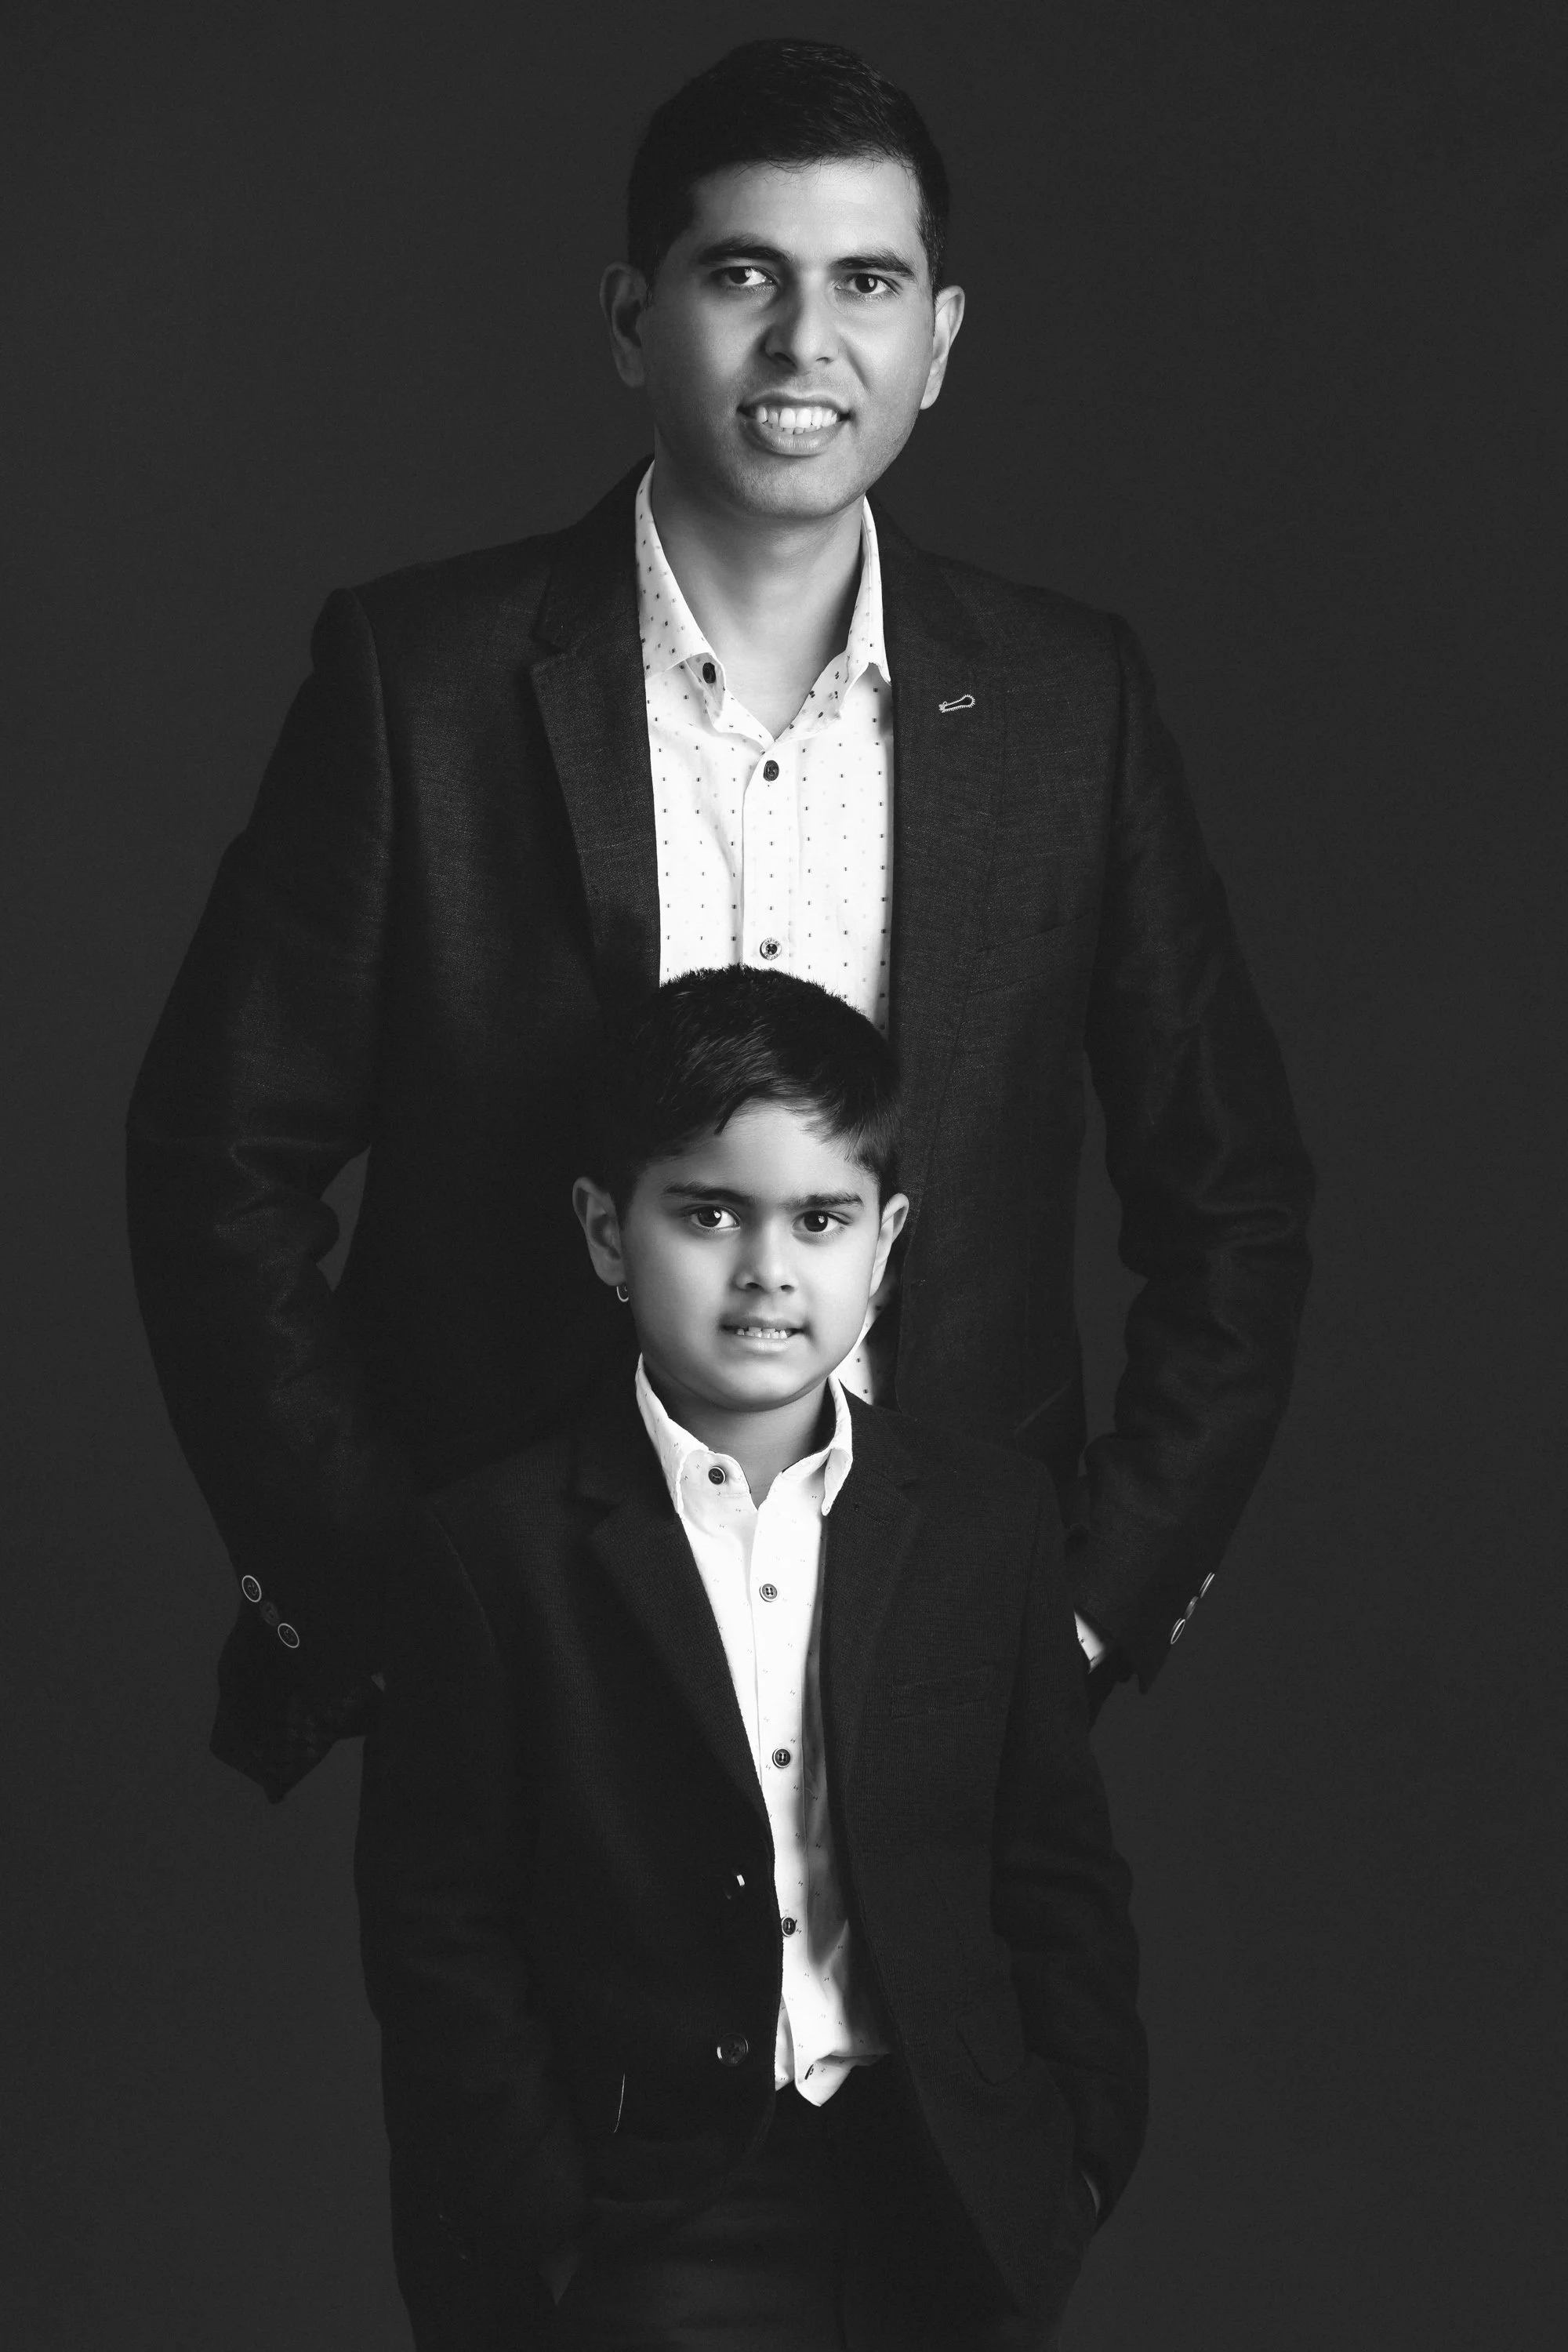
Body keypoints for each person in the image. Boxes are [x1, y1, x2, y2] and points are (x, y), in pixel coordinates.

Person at [125, 38, 1313, 1800]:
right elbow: (214, 1164)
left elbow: (1234, 1201)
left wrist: (1079, 1615)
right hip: (532, 1673)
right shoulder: (419, 682)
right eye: (744, 274)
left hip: (943, 1664)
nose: (804, 341)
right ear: (633, 319)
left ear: (940, 340)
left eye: (867, 283)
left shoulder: (1071, 705)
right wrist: (395, 1600)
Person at [354, 966, 1148, 2351]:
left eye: (821, 1220)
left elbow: (1053, 1860)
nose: (769, 1268)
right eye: (710, 1213)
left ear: (885, 1245)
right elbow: (439, 1925)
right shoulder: (493, 1551)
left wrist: (1077, 2153)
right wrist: (546, 2218)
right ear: (606, 1230)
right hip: (643, 2221)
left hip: (949, 2193)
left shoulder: (990, 1520)